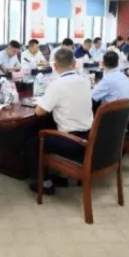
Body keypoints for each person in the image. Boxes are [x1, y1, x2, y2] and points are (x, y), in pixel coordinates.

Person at [29, 48, 94, 195]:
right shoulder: (85, 81)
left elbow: (39, 112)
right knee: (51, 125)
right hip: (89, 136)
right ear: (74, 64)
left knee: (33, 142)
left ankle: (45, 184)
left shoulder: (57, 84)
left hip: (72, 142)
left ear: (55, 66)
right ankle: (63, 176)